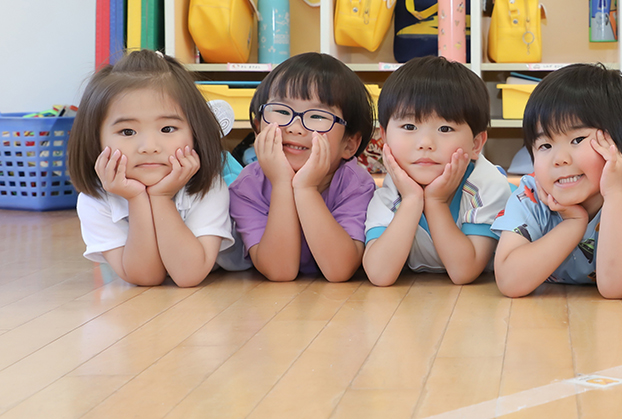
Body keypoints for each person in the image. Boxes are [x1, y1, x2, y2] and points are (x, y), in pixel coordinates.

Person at [67, 50, 236, 287]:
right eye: (127, 132)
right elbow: (146, 277)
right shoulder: (95, 200)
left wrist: (161, 197)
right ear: (95, 140)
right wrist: (137, 199)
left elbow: (189, 275)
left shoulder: (209, 186)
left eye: (167, 129)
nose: (149, 147)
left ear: (196, 132)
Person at [492, 64, 622, 298]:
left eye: (577, 139)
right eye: (545, 145)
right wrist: (573, 223)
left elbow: (615, 287)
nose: (559, 159)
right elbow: (510, 282)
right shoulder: (531, 195)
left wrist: (614, 196)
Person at [362, 56, 511, 286]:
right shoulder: (390, 192)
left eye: (445, 128)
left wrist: (436, 202)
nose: (425, 143)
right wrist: (412, 199)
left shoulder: (488, 186)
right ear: (383, 136)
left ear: (476, 144)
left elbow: (464, 271)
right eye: (409, 127)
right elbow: (379, 274)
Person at [228, 53, 375, 281]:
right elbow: (280, 271)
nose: (296, 128)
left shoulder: (355, 184)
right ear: (258, 128)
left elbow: (339, 270)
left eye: (317, 116)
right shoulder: (248, 187)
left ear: (349, 144)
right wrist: (281, 184)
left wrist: (306, 188)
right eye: (282, 111)